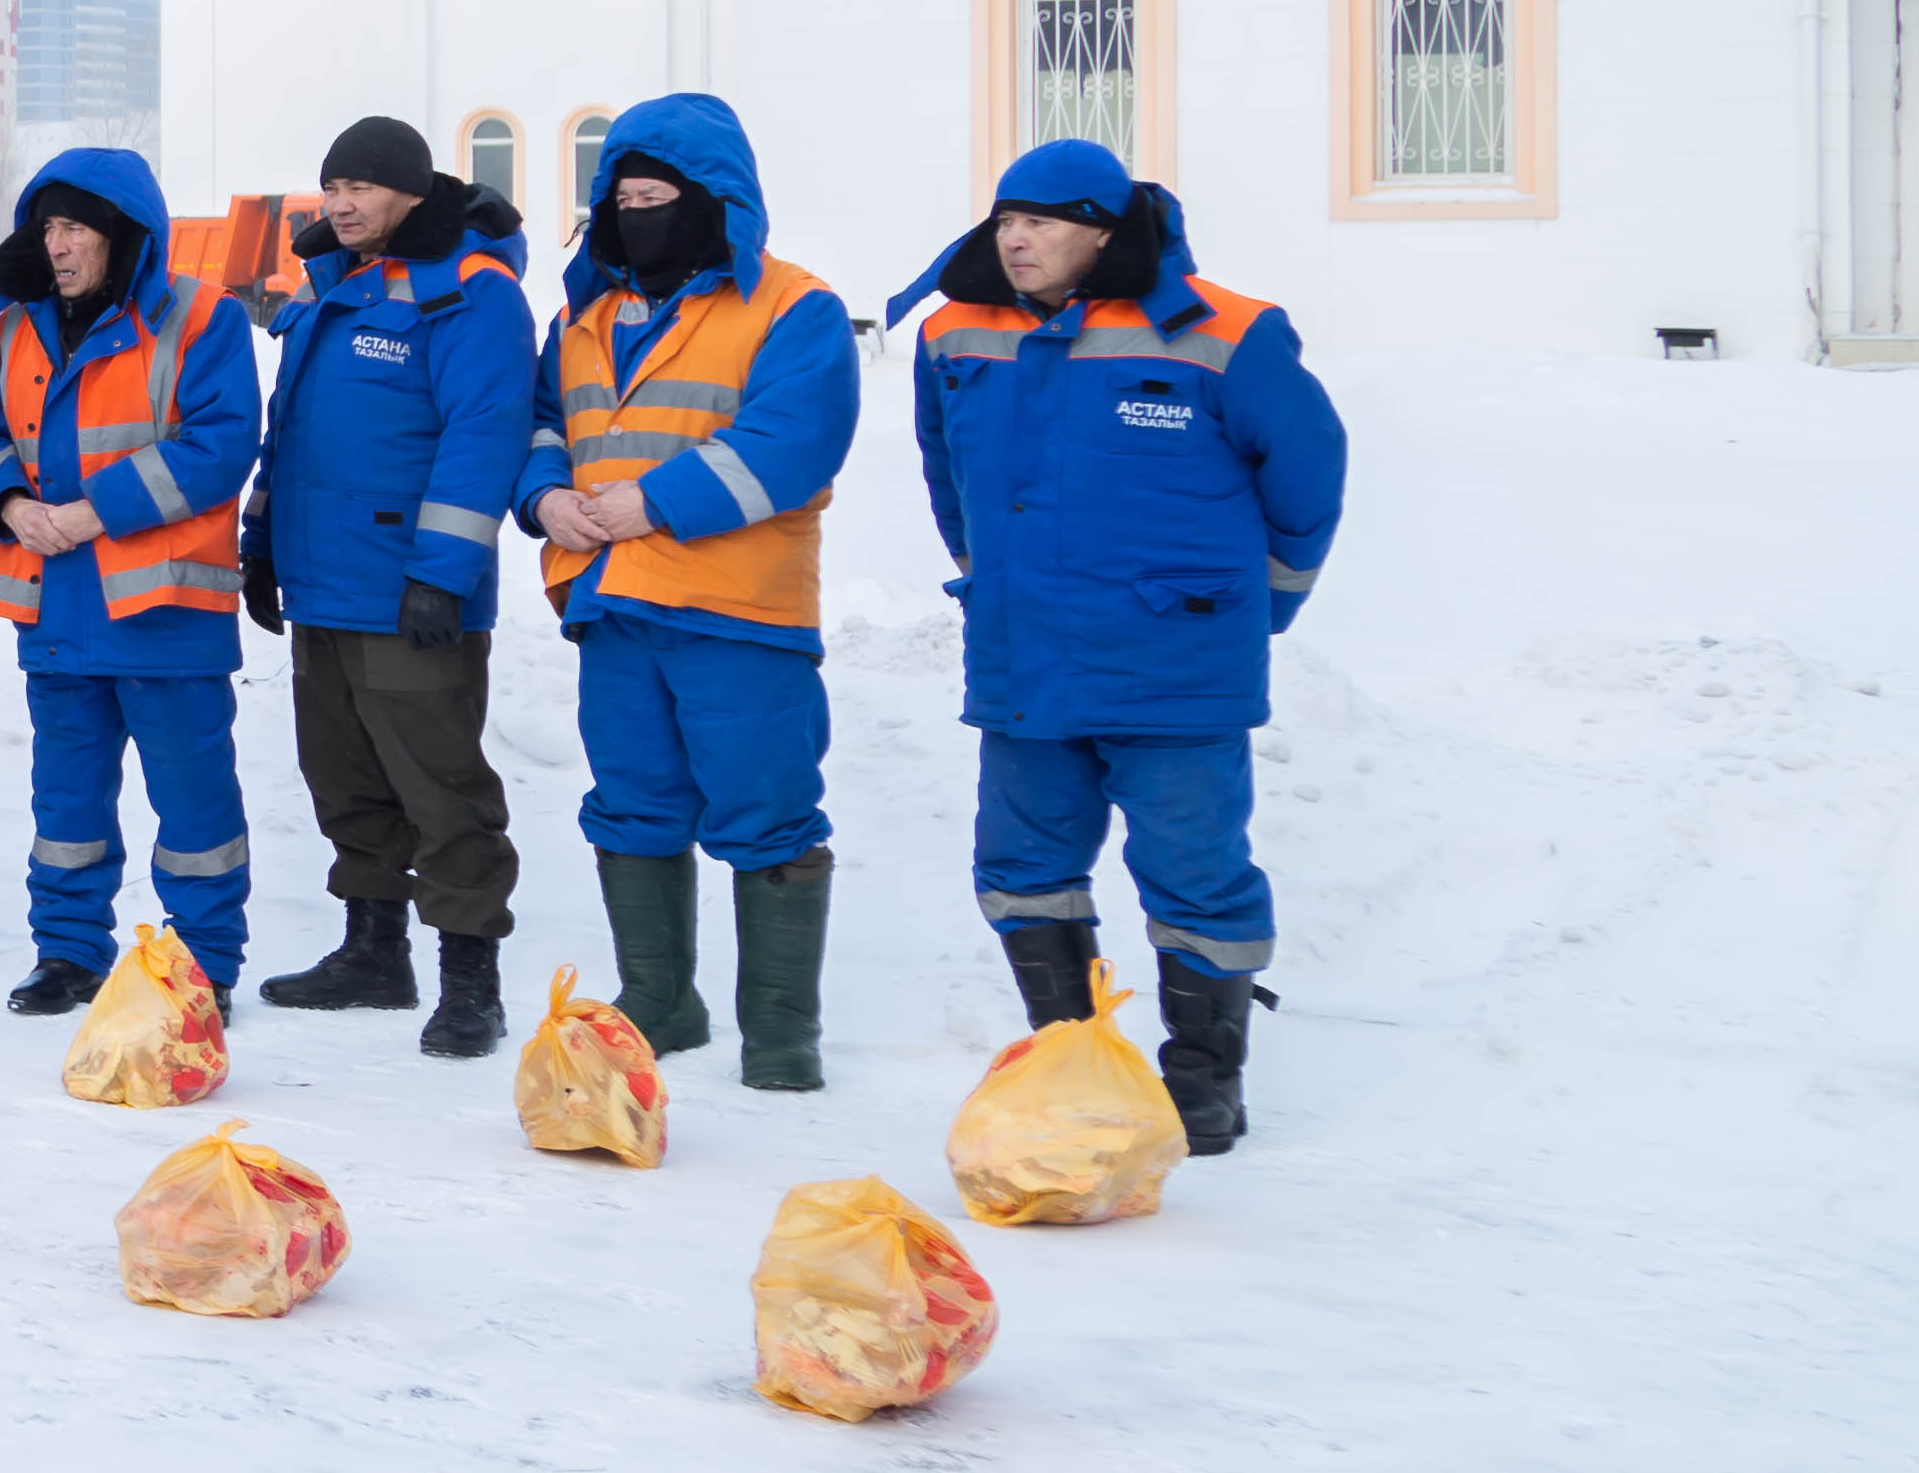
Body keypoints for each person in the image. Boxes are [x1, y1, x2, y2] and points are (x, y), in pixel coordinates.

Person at [894, 140, 1347, 1152]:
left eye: (1045, 221)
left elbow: (1309, 479)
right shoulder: (954, 334)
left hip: (1175, 670)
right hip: (1027, 664)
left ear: (1105, 231)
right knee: (1021, 867)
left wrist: (1253, 606)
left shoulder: (1228, 332)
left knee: (1197, 875)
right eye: (1007, 218)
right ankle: (1073, 1061)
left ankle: (1203, 1084)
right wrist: (993, 573)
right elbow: (946, 473)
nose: (1016, 237)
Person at [517, 92, 856, 1092]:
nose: (635, 214)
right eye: (621, 197)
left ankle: (781, 1027)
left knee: (770, 810)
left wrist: (649, 504)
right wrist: (543, 499)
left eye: (657, 194)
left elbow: (793, 442)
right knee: (632, 806)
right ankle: (662, 996)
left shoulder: (794, 307)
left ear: (714, 201)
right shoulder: (585, 316)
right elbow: (544, 424)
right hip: (615, 608)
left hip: (738, 612)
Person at [245, 114, 533, 1058]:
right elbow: (290, 436)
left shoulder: (471, 294)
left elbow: (483, 434)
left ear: (412, 191)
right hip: (323, 587)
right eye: (332, 187)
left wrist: (442, 573)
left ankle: (470, 981)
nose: (341, 204)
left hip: (409, 593)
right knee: (345, 779)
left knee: (441, 786)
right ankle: (374, 953)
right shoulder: (337, 288)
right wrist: (262, 543)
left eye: (362, 187)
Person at [0, 149, 262, 1015]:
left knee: (193, 799)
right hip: (56, 603)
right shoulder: (17, 325)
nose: (56, 246)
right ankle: (66, 953)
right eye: (46, 227)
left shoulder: (203, 317)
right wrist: (11, 503)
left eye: (75, 229)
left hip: (162, 607)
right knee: (65, 800)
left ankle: (202, 963)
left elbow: (220, 444)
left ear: (122, 235)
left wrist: (96, 511)